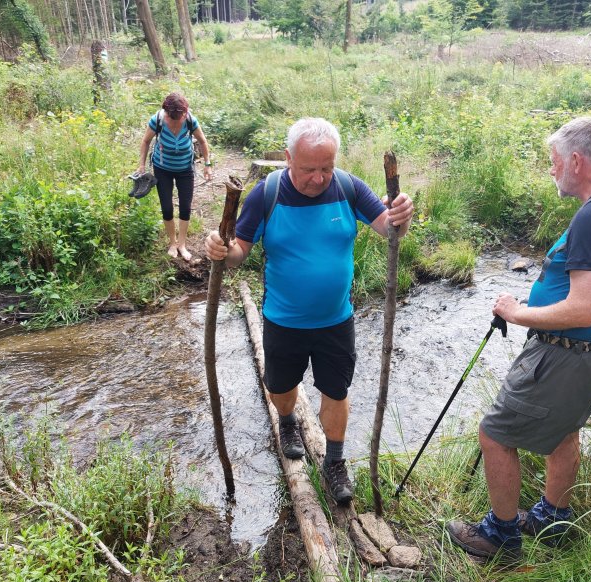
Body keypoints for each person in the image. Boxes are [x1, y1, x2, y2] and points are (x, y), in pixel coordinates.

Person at [446, 116, 591, 562]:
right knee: (564, 431)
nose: (552, 170)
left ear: (576, 161)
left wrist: (518, 312)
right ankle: (551, 519)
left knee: (495, 434)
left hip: (568, 353)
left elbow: (583, 308)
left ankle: (500, 537)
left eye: (554, 161)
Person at [204, 117, 414, 504]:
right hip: (283, 321)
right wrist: (220, 248)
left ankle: (335, 461)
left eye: (326, 168)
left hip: (336, 320)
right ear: (287, 159)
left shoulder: (349, 188)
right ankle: (287, 421)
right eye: (308, 169)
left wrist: (402, 216)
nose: (319, 178)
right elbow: (238, 254)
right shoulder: (265, 194)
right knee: (280, 389)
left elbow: (390, 232)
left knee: (336, 390)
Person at [137, 92, 212, 261]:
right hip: (162, 168)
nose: (177, 120)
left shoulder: (190, 120)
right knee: (167, 207)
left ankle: (182, 244)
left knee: (185, 206)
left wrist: (207, 165)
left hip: (185, 169)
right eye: (173, 117)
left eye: (181, 116)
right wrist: (141, 164)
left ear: (185, 112)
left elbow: (202, 141)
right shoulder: (157, 120)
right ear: (166, 112)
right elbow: (145, 141)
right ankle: (172, 242)